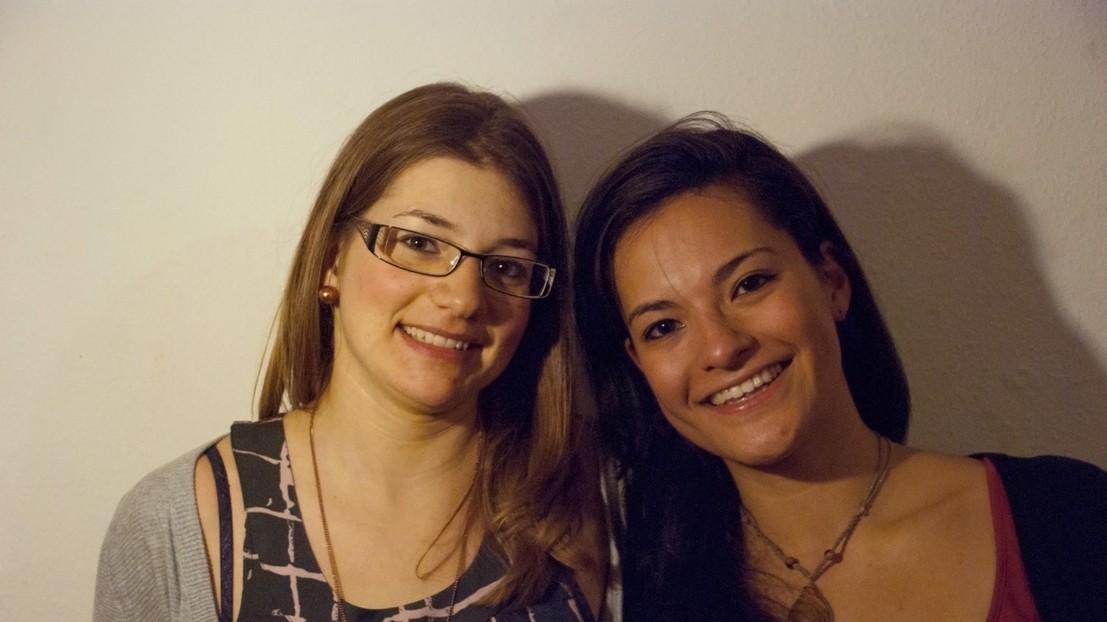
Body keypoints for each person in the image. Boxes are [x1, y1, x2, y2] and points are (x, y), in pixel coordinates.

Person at [95, 82, 607, 622]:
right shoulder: (173, 526)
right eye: (419, 243)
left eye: (505, 267)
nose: (463, 299)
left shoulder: (593, 495)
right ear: (331, 260)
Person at [573, 113, 1107, 621]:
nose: (721, 349)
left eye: (749, 284)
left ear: (832, 282)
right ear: (638, 364)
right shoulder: (646, 593)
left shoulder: (1069, 515)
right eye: (664, 327)